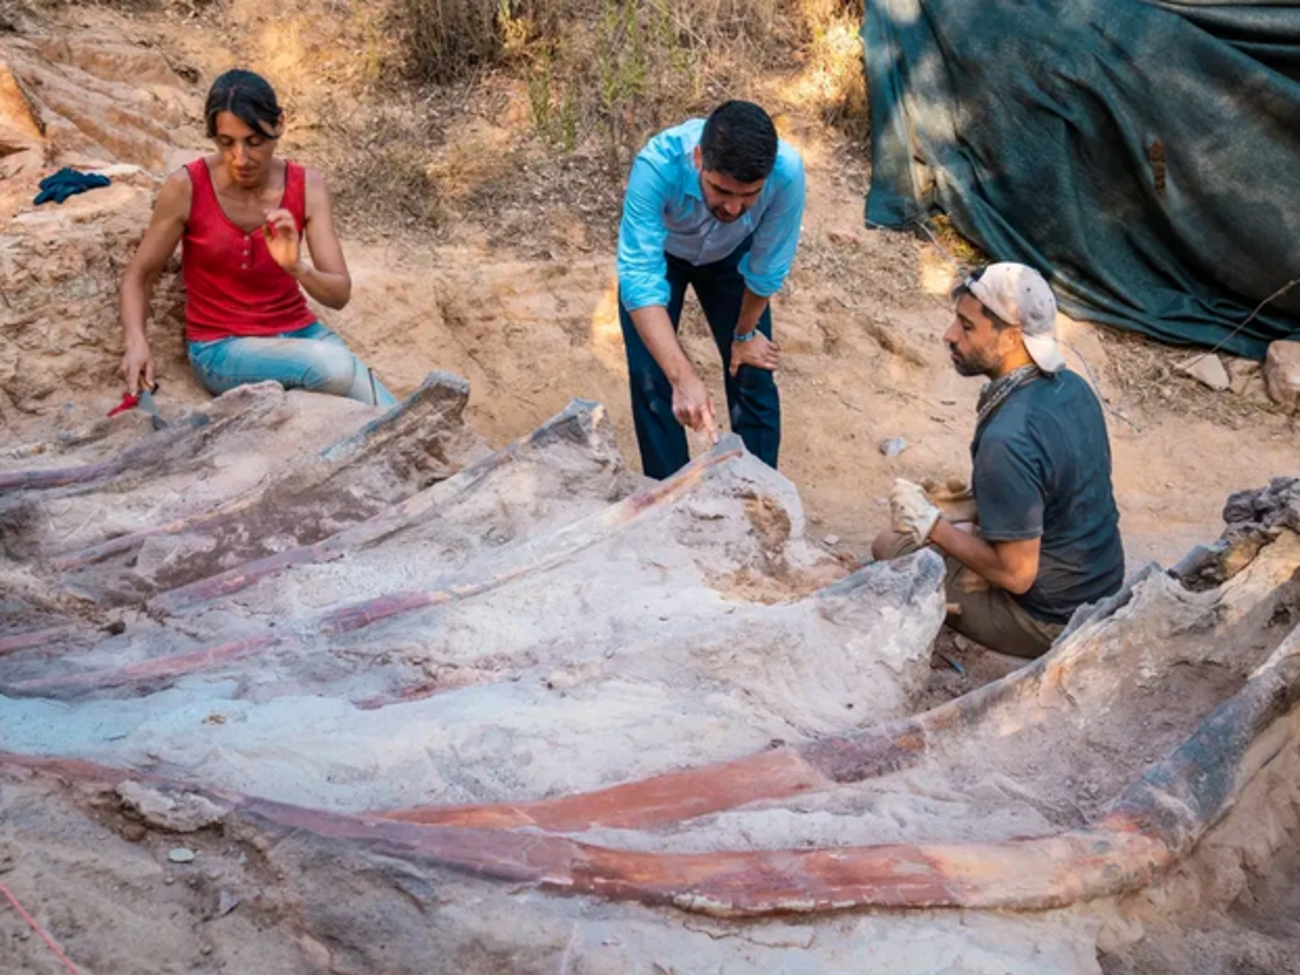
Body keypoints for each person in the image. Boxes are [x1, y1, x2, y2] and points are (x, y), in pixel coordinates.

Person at [873, 262, 1125, 658]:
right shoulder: (1072, 388)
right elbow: (1057, 486)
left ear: (1010, 337)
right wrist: (969, 505)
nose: (949, 336)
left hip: (1049, 619)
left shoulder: (1008, 440)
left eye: (967, 327)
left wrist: (933, 525)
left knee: (890, 544)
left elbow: (1017, 575)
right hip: (1101, 584)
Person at [119, 68, 396, 407]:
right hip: (222, 348)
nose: (241, 158)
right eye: (226, 143)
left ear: (279, 124)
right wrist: (136, 341)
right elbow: (140, 274)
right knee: (336, 368)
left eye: (255, 142)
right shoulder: (187, 187)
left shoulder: (308, 187)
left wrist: (296, 267)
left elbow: (338, 294)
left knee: (396, 414)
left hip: (301, 335)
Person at [616, 100, 805, 479]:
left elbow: (766, 267)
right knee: (655, 377)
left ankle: (761, 496)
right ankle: (668, 496)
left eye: (749, 195)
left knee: (753, 369)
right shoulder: (657, 166)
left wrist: (745, 334)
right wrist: (683, 378)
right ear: (700, 158)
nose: (733, 208)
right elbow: (639, 278)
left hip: (733, 258)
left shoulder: (786, 174)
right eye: (721, 190)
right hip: (665, 257)